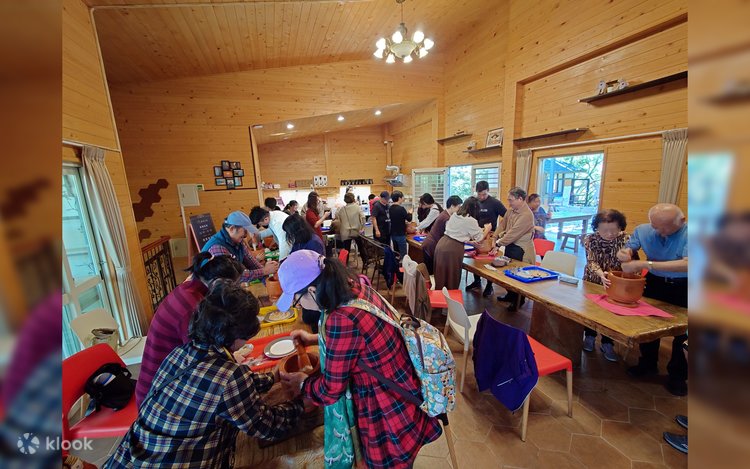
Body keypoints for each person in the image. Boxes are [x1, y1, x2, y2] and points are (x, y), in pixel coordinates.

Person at [105, 281, 304, 468]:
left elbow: (225, 387)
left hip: (134, 457)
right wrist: (301, 405)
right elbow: (265, 426)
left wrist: (272, 377)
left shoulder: (179, 353)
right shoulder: (229, 377)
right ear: (234, 336)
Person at [275, 250, 442, 468]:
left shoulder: (341, 319)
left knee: (391, 463)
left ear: (313, 291)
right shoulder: (355, 286)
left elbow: (331, 390)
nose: (299, 307)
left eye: (297, 301)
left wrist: (303, 383)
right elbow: (359, 339)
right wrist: (314, 338)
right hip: (402, 384)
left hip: (386, 402)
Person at [136, 252, 244, 406]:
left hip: (166, 382)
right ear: (217, 282)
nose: (234, 289)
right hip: (158, 395)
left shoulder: (190, 289)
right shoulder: (190, 308)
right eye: (233, 285)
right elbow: (203, 358)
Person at [617, 203, 688, 396]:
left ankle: (678, 376)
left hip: (686, 285)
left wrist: (646, 264)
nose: (659, 232)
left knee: (684, 333)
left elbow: (688, 264)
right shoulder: (643, 230)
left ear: (682, 221)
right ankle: (647, 363)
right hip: (655, 283)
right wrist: (625, 253)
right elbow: (628, 249)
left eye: (665, 227)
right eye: (655, 226)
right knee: (648, 322)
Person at [581, 209, 630, 362]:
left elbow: (631, 261)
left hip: (616, 282)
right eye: (604, 230)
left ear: (620, 227)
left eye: (614, 230)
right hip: (593, 279)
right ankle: (589, 336)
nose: (609, 234)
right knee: (591, 310)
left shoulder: (626, 239)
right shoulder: (590, 239)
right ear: (597, 228)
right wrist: (601, 274)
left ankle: (607, 343)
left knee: (611, 314)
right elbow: (591, 261)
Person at [489, 187, 535, 309]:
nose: (509, 203)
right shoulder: (510, 211)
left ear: (520, 199)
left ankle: (519, 301)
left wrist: (498, 244)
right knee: (509, 273)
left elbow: (513, 233)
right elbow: (502, 225)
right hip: (510, 246)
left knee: (519, 275)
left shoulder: (526, 215)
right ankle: (510, 295)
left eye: (511, 200)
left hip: (521, 249)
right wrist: (494, 237)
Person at [202, 211, 279, 282]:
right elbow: (235, 275)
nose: (246, 235)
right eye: (245, 230)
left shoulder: (238, 241)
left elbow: (252, 263)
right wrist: (265, 271)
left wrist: (269, 280)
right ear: (232, 229)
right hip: (210, 290)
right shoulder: (217, 247)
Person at [434, 196, 492, 290]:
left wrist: (470, 242)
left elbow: (457, 234)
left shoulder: (455, 215)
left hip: (442, 244)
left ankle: (440, 297)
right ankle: (449, 297)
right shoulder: (471, 220)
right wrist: (487, 229)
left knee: (441, 276)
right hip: (452, 249)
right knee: (451, 277)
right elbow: (480, 238)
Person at [466, 180, 508, 296]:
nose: (481, 197)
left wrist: (499, 232)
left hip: (490, 235)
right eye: (479, 194)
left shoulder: (495, 203)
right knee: (475, 259)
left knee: (489, 260)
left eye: (484, 194)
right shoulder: (474, 202)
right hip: (476, 234)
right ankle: (477, 281)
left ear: (488, 191)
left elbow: (507, 217)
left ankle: (489, 286)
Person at [421, 195, 462, 274]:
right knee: (431, 273)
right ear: (452, 206)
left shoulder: (444, 214)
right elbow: (449, 236)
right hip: (431, 245)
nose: (459, 209)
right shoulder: (446, 218)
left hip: (429, 244)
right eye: (458, 207)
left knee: (430, 272)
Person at [388, 190, 412, 258]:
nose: (403, 198)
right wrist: (410, 212)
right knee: (404, 255)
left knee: (397, 253)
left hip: (393, 234)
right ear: (399, 198)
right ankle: (403, 264)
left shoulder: (390, 208)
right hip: (400, 234)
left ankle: (397, 264)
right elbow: (409, 219)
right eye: (402, 197)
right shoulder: (401, 209)